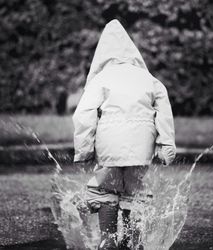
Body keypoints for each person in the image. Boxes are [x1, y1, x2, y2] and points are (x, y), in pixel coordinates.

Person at [72, 19, 176, 250]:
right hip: (142, 144)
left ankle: (108, 240)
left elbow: (84, 115)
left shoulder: (101, 79)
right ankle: (132, 240)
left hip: (109, 144)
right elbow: (164, 113)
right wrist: (166, 146)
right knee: (136, 188)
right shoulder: (149, 80)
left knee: (105, 188)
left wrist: (85, 149)